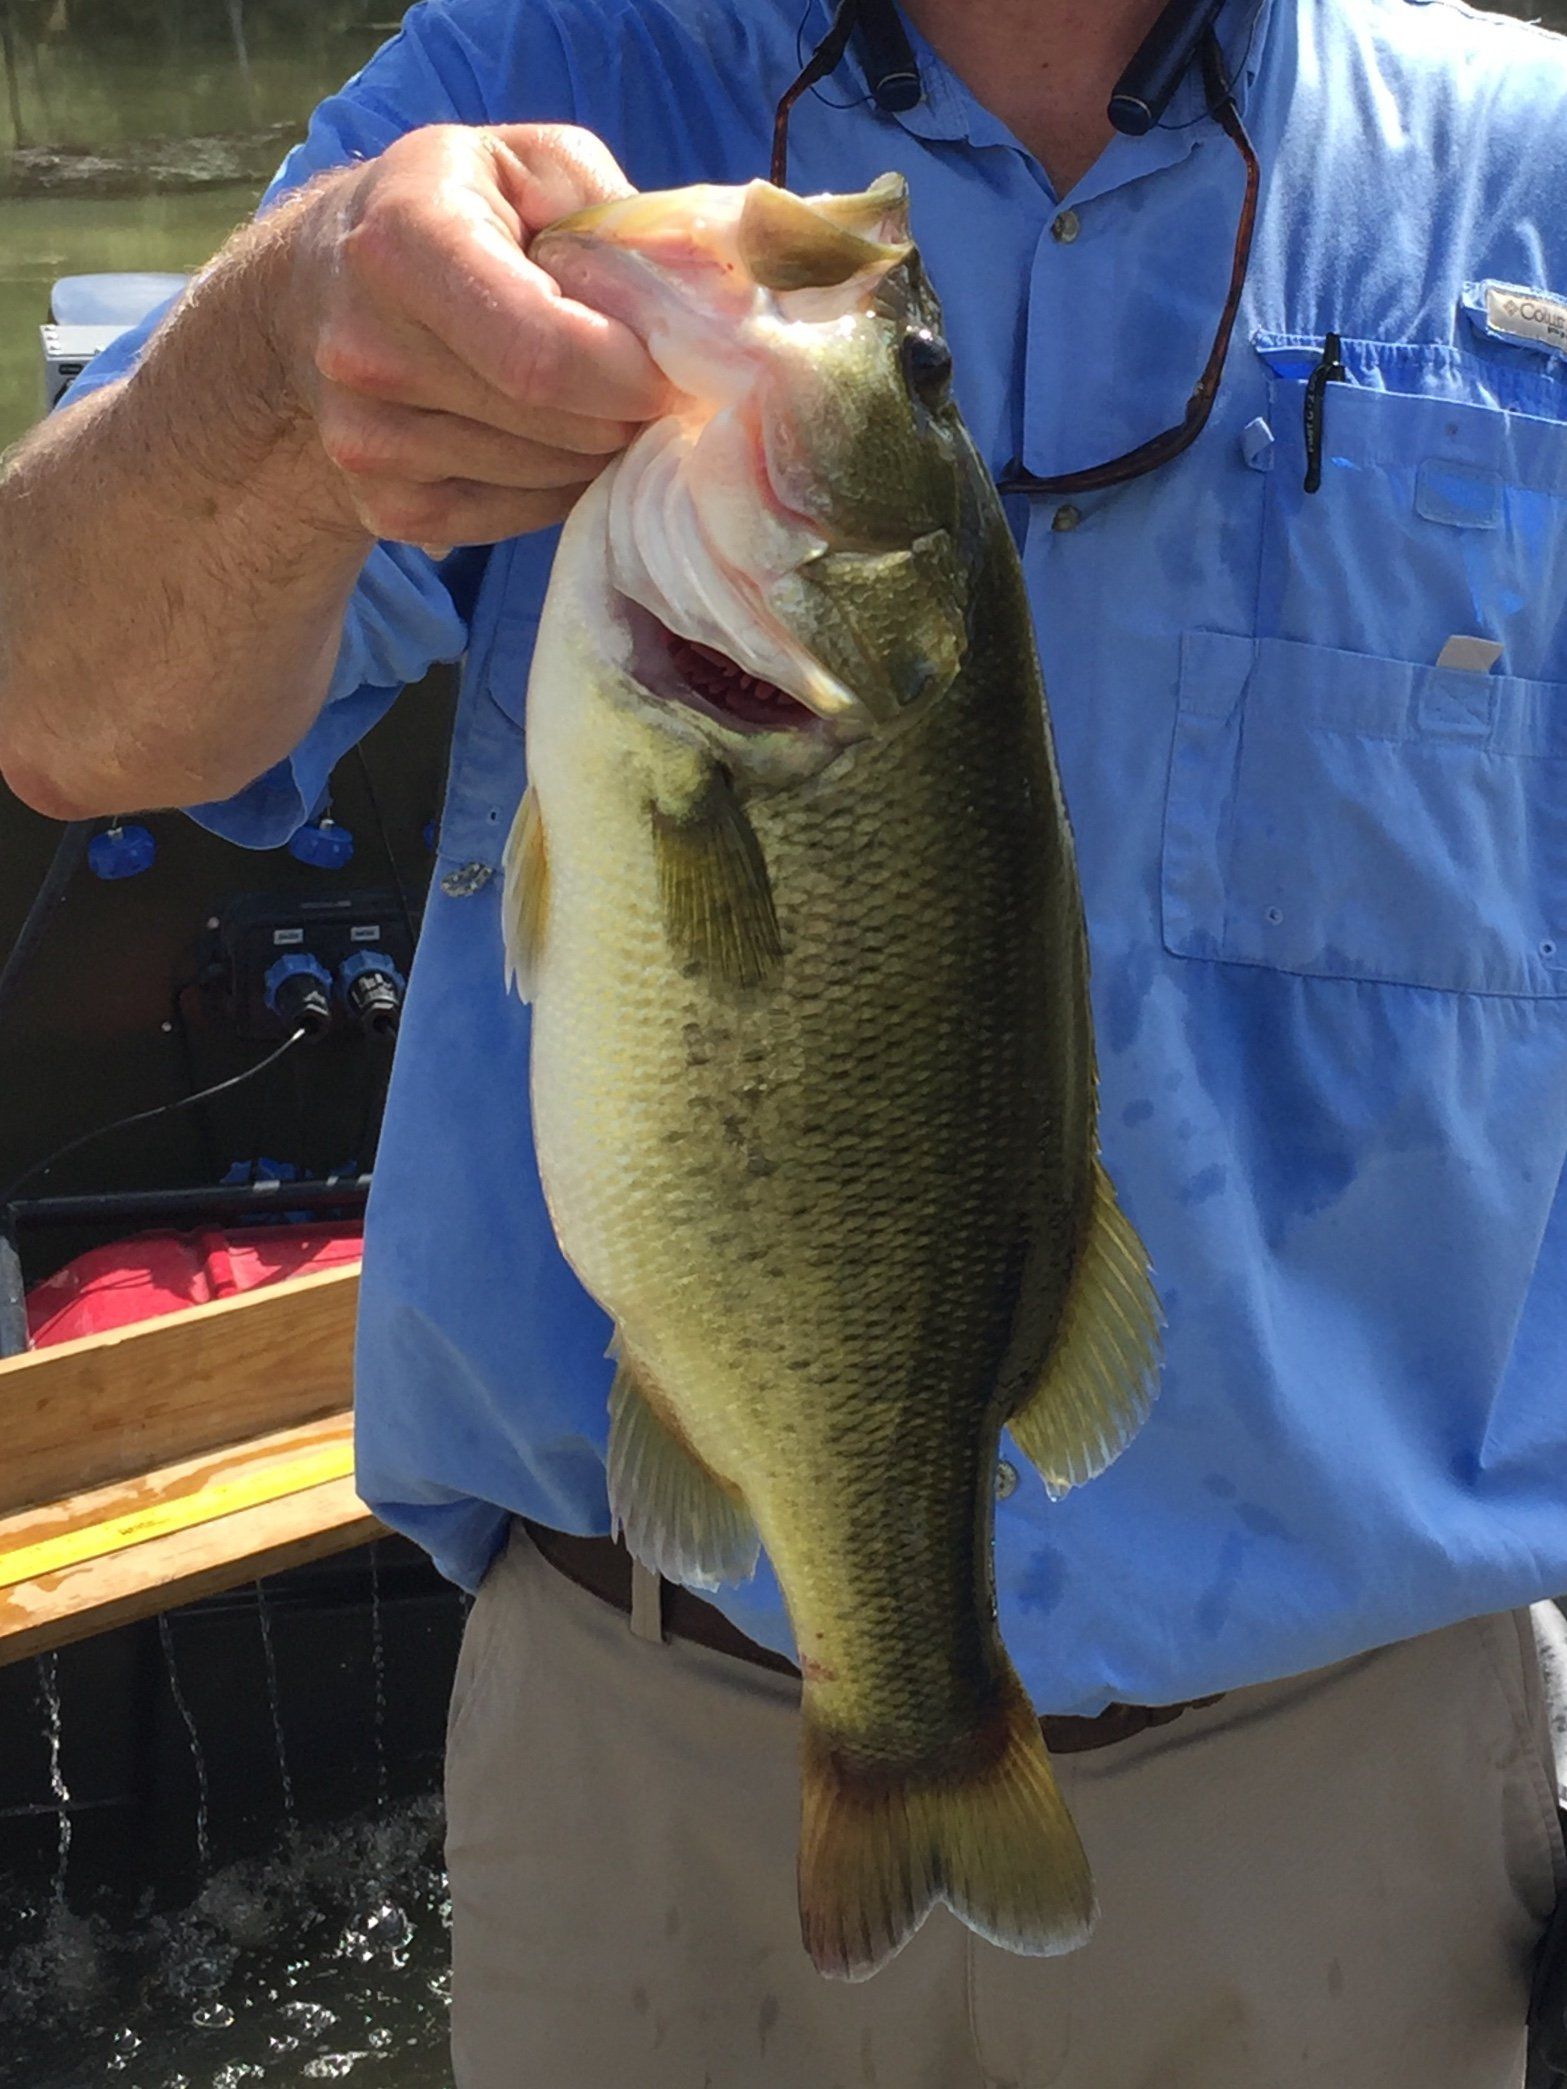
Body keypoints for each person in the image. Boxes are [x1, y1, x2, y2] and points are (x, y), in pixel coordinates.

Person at [4, 0, 1567, 2079]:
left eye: (896, 357)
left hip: (1360, 1779)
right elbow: (64, 706)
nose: (865, 315)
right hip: (643, 1745)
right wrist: (295, 358)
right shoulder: (532, 85)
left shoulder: (1526, 171)